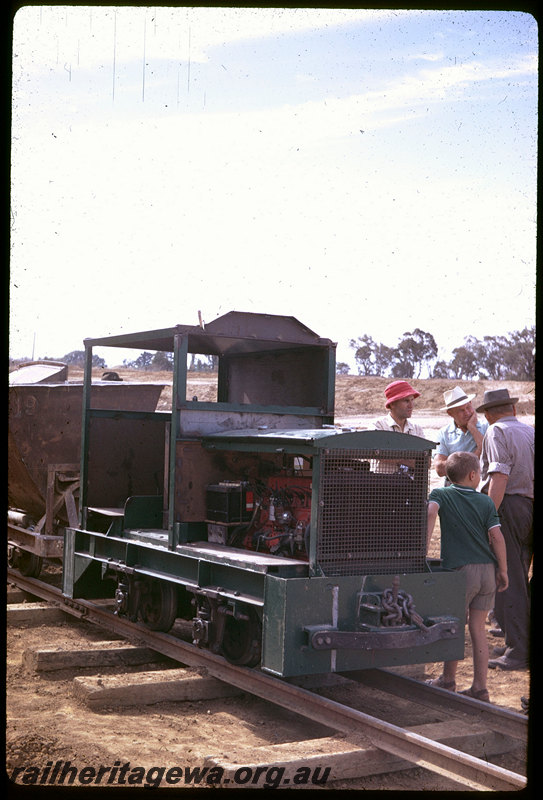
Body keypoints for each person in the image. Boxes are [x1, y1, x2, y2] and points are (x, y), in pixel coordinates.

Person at [426, 451, 508, 702]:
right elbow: (496, 537)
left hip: (461, 571)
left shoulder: (441, 494)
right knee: (478, 629)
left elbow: (430, 513)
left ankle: (448, 679)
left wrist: (423, 548)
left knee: (455, 625)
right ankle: (480, 687)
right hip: (487, 571)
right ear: (473, 475)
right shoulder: (485, 502)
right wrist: (503, 570)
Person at [477, 388, 534, 671]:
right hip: (530, 507)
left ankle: (517, 650)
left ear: (488, 414)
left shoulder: (496, 431)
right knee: (522, 576)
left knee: (508, 577)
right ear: (512, 409)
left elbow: (499, 476)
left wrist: (487, 516)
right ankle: (517, 640)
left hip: (510, 506)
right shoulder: (530, 431)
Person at [433, 387, 488, 483]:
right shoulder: (444, 434)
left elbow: (487, 453)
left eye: (468, 407)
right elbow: (439, 469)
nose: (467, 413)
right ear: (450, 413)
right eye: (461, 410)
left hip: (481, 485)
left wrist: (472, 428)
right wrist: (478, 451)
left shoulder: (486, 427)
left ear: (471, 404)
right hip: (453, 488)